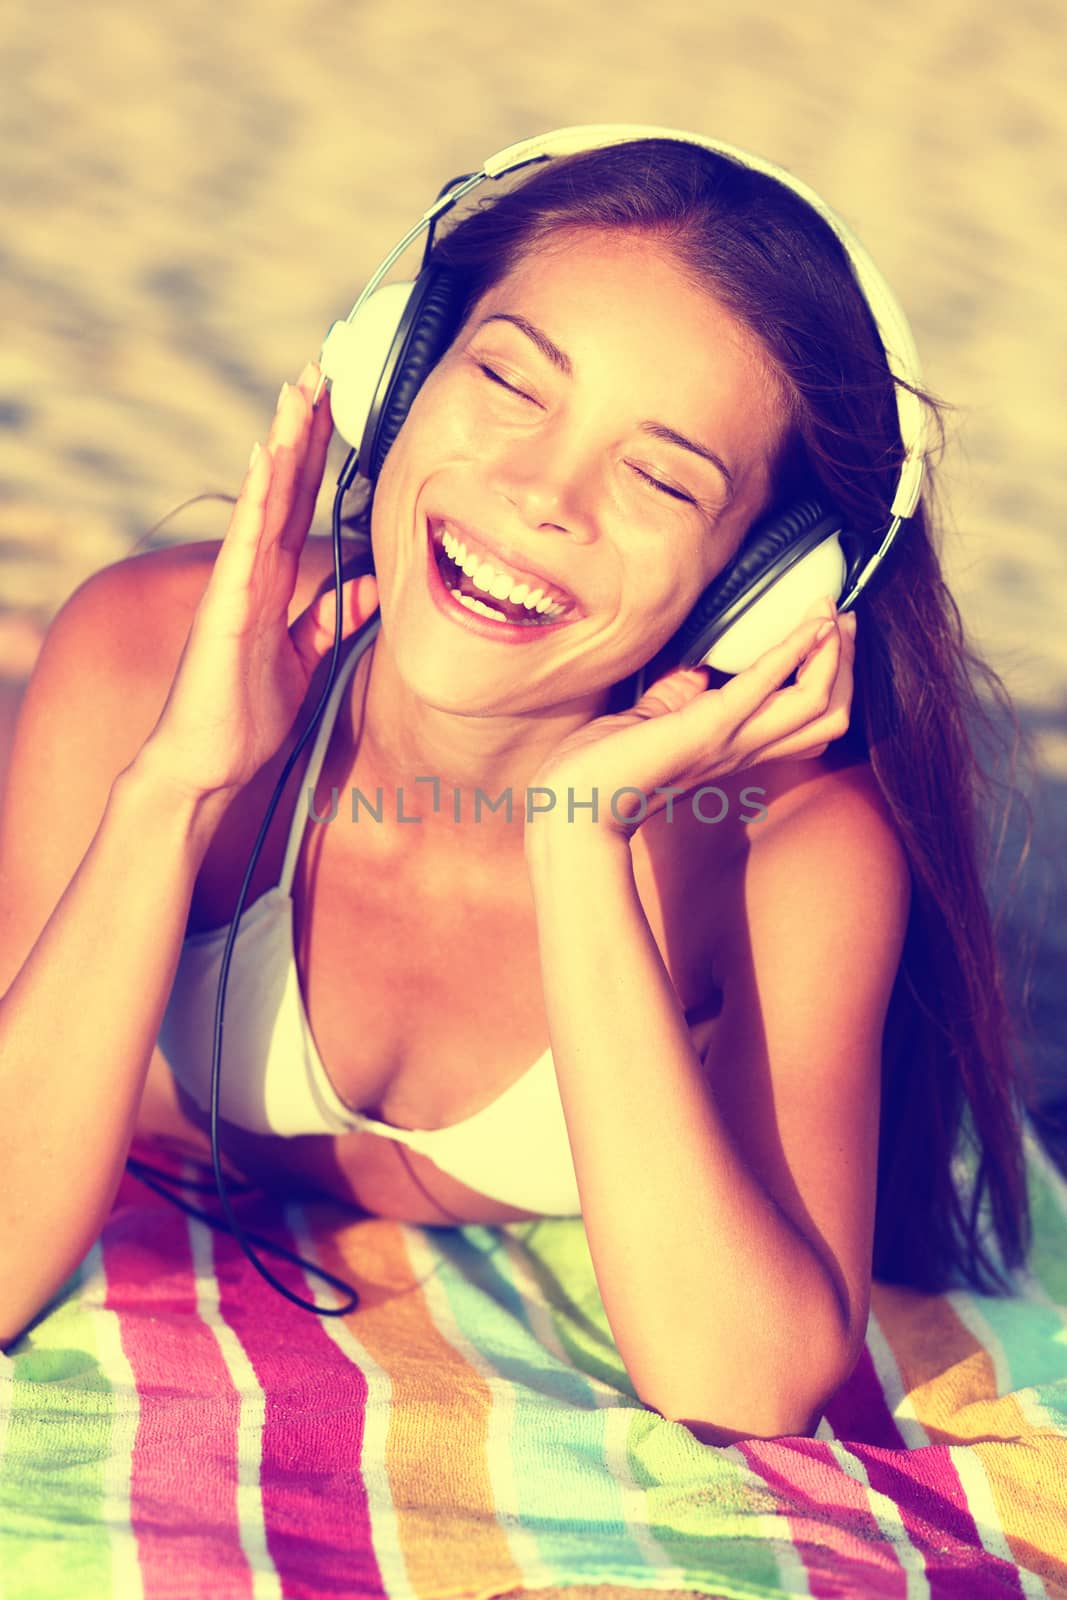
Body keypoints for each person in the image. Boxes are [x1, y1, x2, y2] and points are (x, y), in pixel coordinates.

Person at [0, 135, 1035, 1445]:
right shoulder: (146, 660)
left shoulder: (787, 843)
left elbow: (743, 1384)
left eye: (662, 476)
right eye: (506, 381)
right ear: (399, 372)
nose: (539, 494)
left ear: (766, 582)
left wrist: (579, 841)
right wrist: (174, 792)